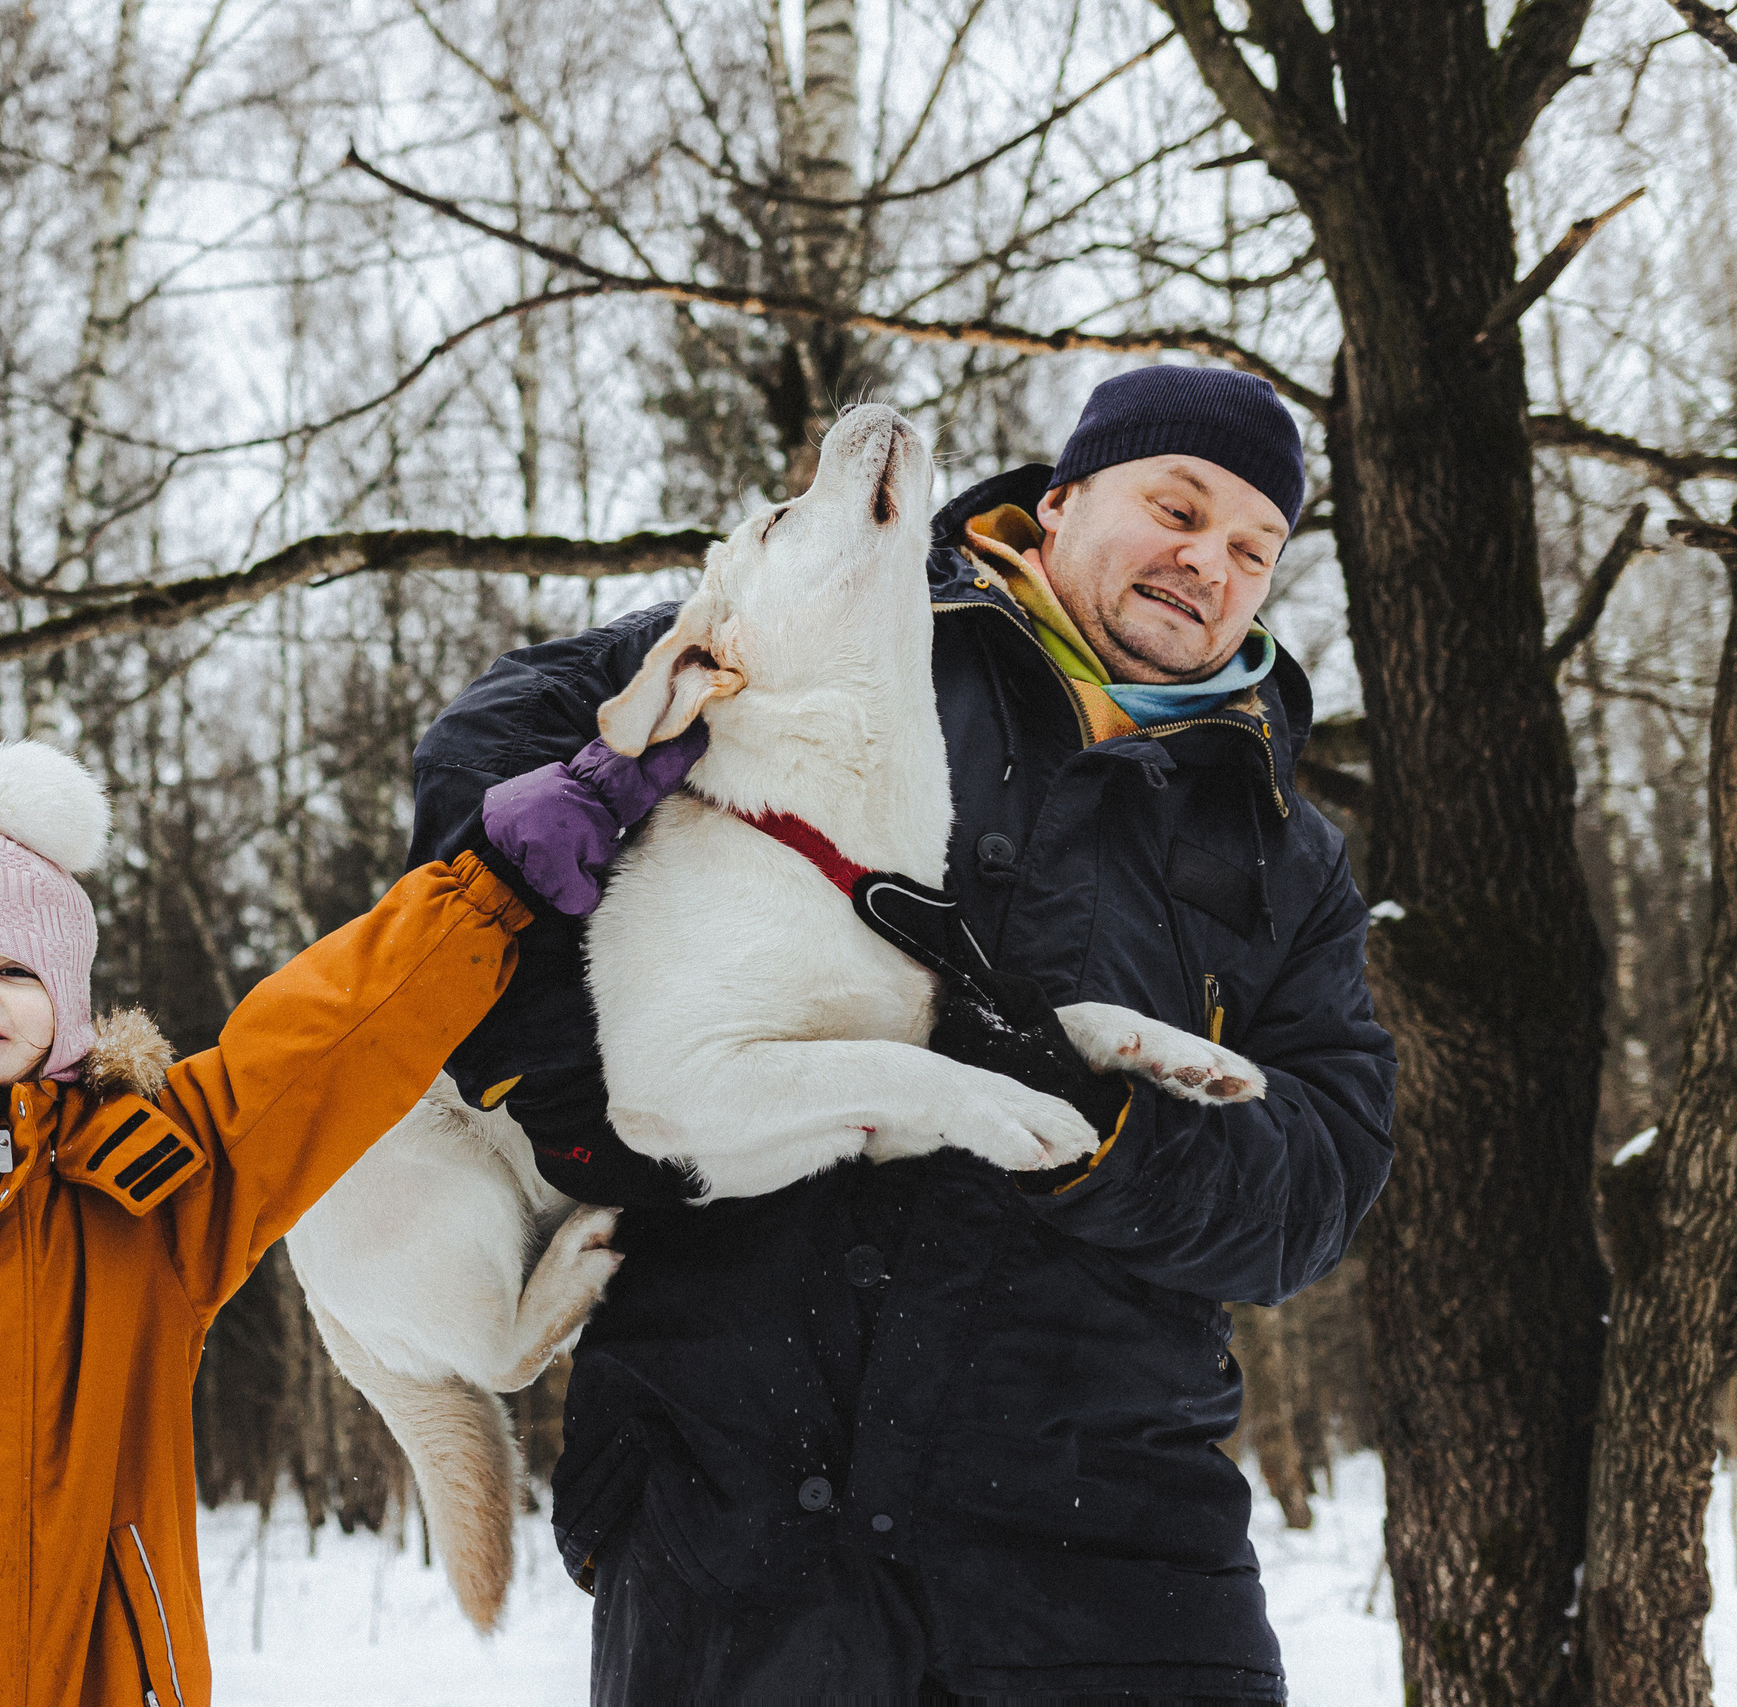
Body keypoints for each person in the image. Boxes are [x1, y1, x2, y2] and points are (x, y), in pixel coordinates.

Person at [408, 367, 1399, 1704]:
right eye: (1178, 506)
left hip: (1107, 1550)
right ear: (1059, 503)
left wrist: (1101, 1136)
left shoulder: (1281, 847)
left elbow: (1316, 1184)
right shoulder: (844, 618)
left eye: (1252, 549)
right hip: (734, 1514)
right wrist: (575, 1073)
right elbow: (499, 756)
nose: (1206, 562)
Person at [0, 731, 702, 1707]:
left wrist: (494, 883)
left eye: (13, 971)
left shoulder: (150, 1192)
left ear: (69, 1014)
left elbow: (326, 1041)